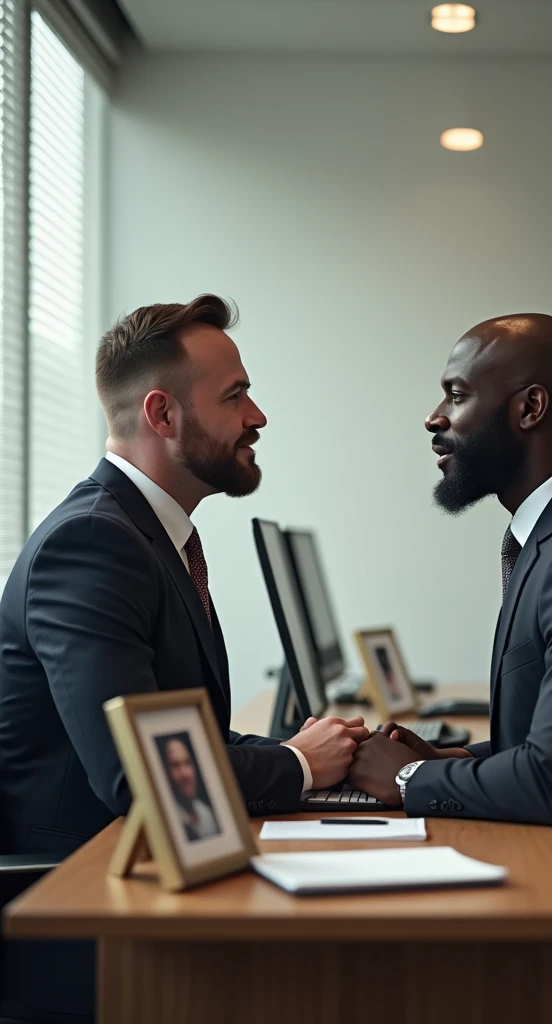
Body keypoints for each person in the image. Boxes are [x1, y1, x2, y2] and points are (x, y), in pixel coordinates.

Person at [0, 294, 368, 1023]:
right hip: (88, 914)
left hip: (149, 880)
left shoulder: (144, 537)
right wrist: (296, 766)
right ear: (163, 415)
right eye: (235, 397)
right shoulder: (93, 545)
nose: (257, 417)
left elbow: (177, 728)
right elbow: (140, 775)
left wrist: (321, 754)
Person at [348, 313, 552, 1021]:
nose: (434, 418)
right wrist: (449, 755)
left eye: (456, 394)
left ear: (530, 408)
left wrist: (410, 779)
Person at [161, 735, 219, 841]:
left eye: (187, 763)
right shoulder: (167, 820)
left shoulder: (206, 813)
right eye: (175, 766)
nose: (185, 774)